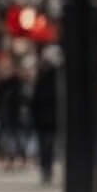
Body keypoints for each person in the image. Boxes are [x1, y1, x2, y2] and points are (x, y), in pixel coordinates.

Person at [0, 51, 34, 173]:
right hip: (8, 113)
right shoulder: (5, 83)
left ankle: (22, 158)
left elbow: (25, 98)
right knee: (9, 138)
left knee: (19, 137)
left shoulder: (19, 83)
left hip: (17, 113)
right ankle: (11, 159)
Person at [29, 47, 61, 184]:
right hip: (46, 117)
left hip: (48, 117)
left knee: (46, 145)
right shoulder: (48, 77)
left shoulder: (50, 77)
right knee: (47, 144)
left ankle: (46, 169)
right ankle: (46, 169)